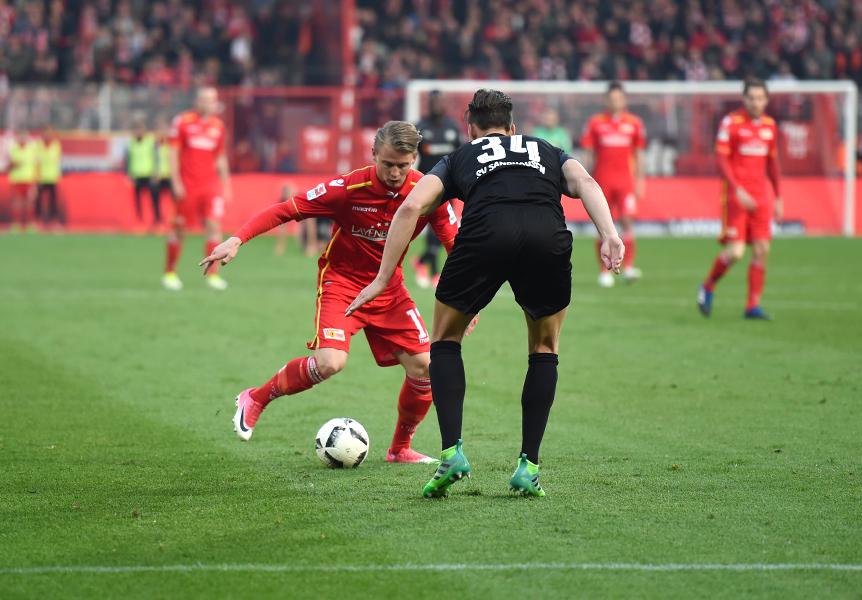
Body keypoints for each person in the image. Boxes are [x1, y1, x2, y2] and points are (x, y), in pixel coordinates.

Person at [347, 89, 624, 498]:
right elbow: (585, 181)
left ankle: (452, 454)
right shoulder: (545, 148)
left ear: (471, 128)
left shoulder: (462, 155)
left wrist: (383, 276)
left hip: (484, 237)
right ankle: (528, 467)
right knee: (545, 348)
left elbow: (410, 208)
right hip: (545, 237)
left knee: (444, 341)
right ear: (513, 127)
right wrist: (610, 235)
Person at [199, 121, 460, 464]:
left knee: (424, 366)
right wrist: (237, 239)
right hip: (343, 283)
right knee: (330, 363)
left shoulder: (427, 193)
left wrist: (466, 302)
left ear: (415, 158)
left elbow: (456, 245)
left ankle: (399, 449)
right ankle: (256, 397)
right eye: (387, 164)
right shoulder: (349, 187)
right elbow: (287, 209)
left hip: (389, 288)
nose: (395, 173)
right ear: (373, 155)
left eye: (403, 165)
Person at [698, 77, 783, 320]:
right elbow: (722, 159)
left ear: (766, 100)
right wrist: (737, 189)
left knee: (762, 249)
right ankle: (708, 286)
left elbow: (773, 164)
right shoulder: (731, 123)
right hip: (737, 196)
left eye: (760, 98)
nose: (756, 102)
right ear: (744, 99)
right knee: (735, 252)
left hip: (761, 197)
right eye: (751, 98)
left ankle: (752, 306)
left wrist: (778, 196)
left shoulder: (770, 126)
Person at [164, 87, 231, 291]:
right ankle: (170, 271)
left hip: (210, 186)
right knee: (180, 229)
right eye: (205, 99)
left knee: (214, 226)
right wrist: (176, 181)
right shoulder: (183, 122)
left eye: (212, 100)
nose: (208, 103)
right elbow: (173, 153)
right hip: (188, 185)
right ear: (198, 100)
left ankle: (213, 274)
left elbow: (220, 157)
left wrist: (226, 184)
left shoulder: (218, 127)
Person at [580, 81, 646, 287]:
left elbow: (639, 153)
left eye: (618, 98)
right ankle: (604, 271)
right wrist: (585, 179)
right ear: (606, 100)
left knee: (627, 222)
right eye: (611, 98)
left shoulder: (634, 123)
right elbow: (588, 153)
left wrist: (640, 180)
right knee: (602, 226)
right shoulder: (595, 123)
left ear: (624, 100)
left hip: (625, 181)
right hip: (602, 181)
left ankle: (628, 267)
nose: (615, 101)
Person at [413, 90, 462, 289]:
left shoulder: (452, 127)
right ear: (428, 104)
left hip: (448, 186)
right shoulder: (420, 127)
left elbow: (461, 154)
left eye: (439, 101)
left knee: (439, 228)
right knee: (432, 227)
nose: (436, 104)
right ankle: (431, 269)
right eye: (433, 101)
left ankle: (427, 266)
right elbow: (410, 155)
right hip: (426, 184)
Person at [127, 119, 159, 227]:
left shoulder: (150, 142)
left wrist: (155, 172)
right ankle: (139, 220)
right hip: (136, 176)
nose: (138, 132)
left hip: (149, 174)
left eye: (140, 129)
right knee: (137, 200)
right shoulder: (131, 144)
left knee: (154, 198)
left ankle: (156, 219)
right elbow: (128, 160)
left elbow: (156, 158)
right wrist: (129, 175)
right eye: (136, 130)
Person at [7, 130, 39, 232]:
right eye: (20, 137)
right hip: (16, 180)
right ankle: (16, 224)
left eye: (23, 137)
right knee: (17, 203)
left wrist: (35, 180)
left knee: (29, 203)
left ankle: (29, 224)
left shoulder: (31, 150)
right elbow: (10, 165)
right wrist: (15, 164)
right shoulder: (14, 149)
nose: (22, 139)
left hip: (28, 180)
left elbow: (36, 165)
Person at [36, 127, 63, 230]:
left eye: (49, 134)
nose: (47, 136)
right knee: (39, 202)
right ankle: (39, 222)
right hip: (41, 177)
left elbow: (57, 159)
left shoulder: (56, 145)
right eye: (45, 134)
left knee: (53, 201)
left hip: (52, 177)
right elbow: (36, 162)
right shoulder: (38, 145)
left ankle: (54, 222)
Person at [153, 117, 174, 232]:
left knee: (176, 198)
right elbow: (153, 160)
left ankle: (175, 219)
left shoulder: (172, 143)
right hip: (159, 176)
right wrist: (155, 173)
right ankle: (157, 220)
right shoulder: (156, 145)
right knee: (154, 194)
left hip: (170, 176)